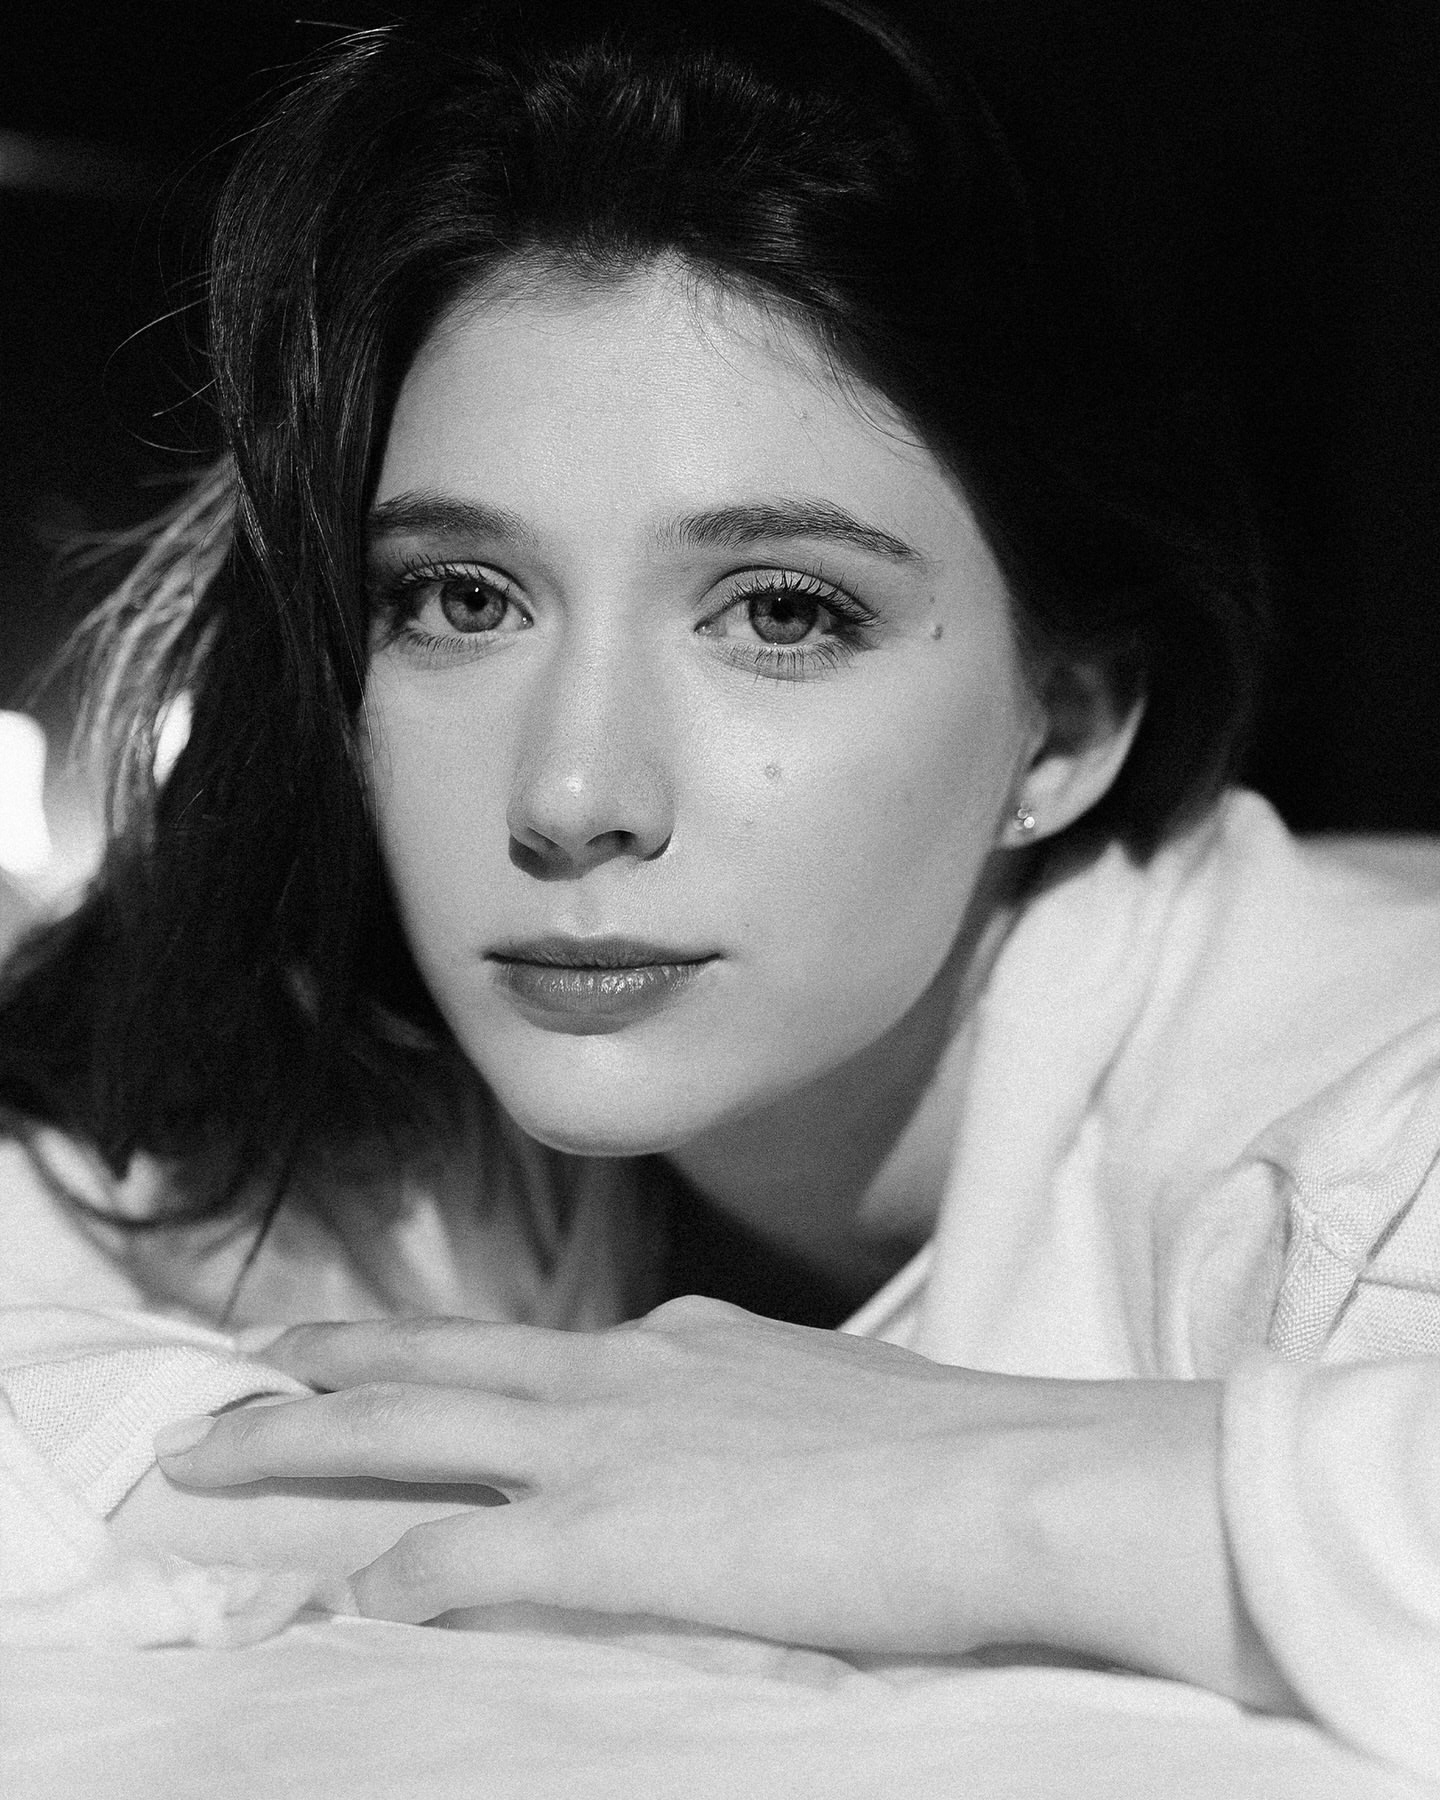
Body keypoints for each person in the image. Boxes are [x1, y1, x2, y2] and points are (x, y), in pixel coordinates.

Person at [2, 0, 1438, 1779]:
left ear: (1065, 725)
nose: (572, 797)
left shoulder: (1361, 1153)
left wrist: (953, 1488)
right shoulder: (361, 1082)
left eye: (780, 612)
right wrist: (605, 1498)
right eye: (461, 599)